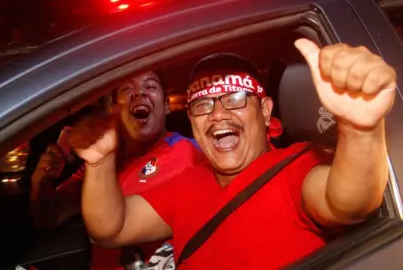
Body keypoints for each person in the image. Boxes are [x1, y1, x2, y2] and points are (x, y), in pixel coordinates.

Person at [71, 38, 396, 269]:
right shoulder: (189, 182)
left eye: (236, 98)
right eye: (203, 104)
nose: (217, 114)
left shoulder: (295, 167)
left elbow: (349, 203)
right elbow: (112, 228)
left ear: (266, 112)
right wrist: (99, 162)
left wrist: (360, 129)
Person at [30, 71, 204, 269]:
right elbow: (49, 216)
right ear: (114, 108)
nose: (140, 93)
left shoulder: (192, 154)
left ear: (166, 106)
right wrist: (41, 181)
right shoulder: (101, 164)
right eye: (128, 88)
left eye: (151, 86)